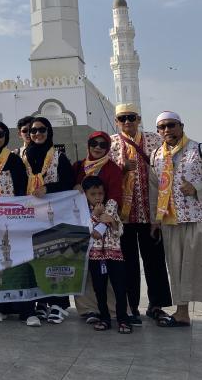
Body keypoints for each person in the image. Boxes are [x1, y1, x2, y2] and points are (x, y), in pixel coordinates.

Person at [151, 111, 202, 338]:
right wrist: (156, 220)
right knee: (176, 268)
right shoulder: (157, 155)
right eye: (162, 127)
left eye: (171, 125)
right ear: (158, 131)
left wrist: (196, 188)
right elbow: (154, 190)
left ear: (181, 126)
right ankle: (182, 313)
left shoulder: (201, 150)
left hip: (200, 218)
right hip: (171, 220)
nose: (167, 130)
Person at [109, 103, 171, 325]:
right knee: (128, 264)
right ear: (117, 122)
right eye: (123, 118)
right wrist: (122, 169)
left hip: (151, 214)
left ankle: (156, 305)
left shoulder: (155, 140)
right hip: (123, 216)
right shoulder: (111, 143)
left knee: (155, 261)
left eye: (131, 117)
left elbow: (165, 170)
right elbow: (106, 174)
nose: (127, 122)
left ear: (139, 119)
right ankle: (131, 306)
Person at [0, 121, 36, 325]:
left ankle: (27, 310)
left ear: (6, 137)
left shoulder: (14, 160)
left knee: (20, 262)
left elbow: (22, 188)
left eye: (0, 134)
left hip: (12, 220)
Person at [21, 116, 74, 324]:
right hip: (31, 217)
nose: (37, 134)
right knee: (38, 260)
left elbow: (68, 182)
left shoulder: (58, 157)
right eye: (33, 131)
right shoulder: (24, 156)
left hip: (54, 217)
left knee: (56, 258)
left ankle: (59, 303)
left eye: (42, 130)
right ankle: (42, 300)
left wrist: (47, 188)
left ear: (49, 132)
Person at [73, 131, 124, 323]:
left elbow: (115, 196)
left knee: (109, 272)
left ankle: (113, 310)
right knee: (86, 270)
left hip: (105, 225)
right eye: (94, 143)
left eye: (103, 145)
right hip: (83, 223)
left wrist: (103, 222)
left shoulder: (112, 168)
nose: (98, 147)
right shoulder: (79, 166)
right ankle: (88, 309)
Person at [82, 176, 131, 334]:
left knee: (119, 288)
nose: (97, 197)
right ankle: (105, 318)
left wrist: (113, 222)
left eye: (100, 194)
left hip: (115, 255)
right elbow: (91, 233)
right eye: (93, 194)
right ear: (86, 195)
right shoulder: (84, 213)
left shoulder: (110, 208)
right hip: (96, 257)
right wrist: (97, 217)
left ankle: (123, 319)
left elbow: (119, 231)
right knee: (99, 289)